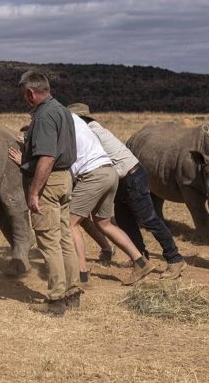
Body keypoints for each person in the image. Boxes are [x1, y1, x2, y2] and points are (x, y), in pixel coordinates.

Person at [67, 103, 186, 280]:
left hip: (131, 176)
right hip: (122, 179)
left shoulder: (89, 132)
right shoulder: (92, 129)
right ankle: (141, 260)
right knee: (125, 222)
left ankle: (175, 259)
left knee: (149, 220)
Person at [8, 71, 81, 317]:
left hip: (49, 182)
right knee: (63, 239)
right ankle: (72, 293)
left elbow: (47, 157)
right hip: (65, 180)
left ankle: (56, 299)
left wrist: (35, 192)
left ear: (31, 92)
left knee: (48, 242)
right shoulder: (61, 110)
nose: (25, 100)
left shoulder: (45, 115)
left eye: (24, 95)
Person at [63, 109, 155, 286]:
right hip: (109, 172)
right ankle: (141, 262)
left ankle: (81, 276)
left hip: (92, 175)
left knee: (70, 223)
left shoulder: (60, 123)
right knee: (103, 223)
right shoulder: (81, 125)